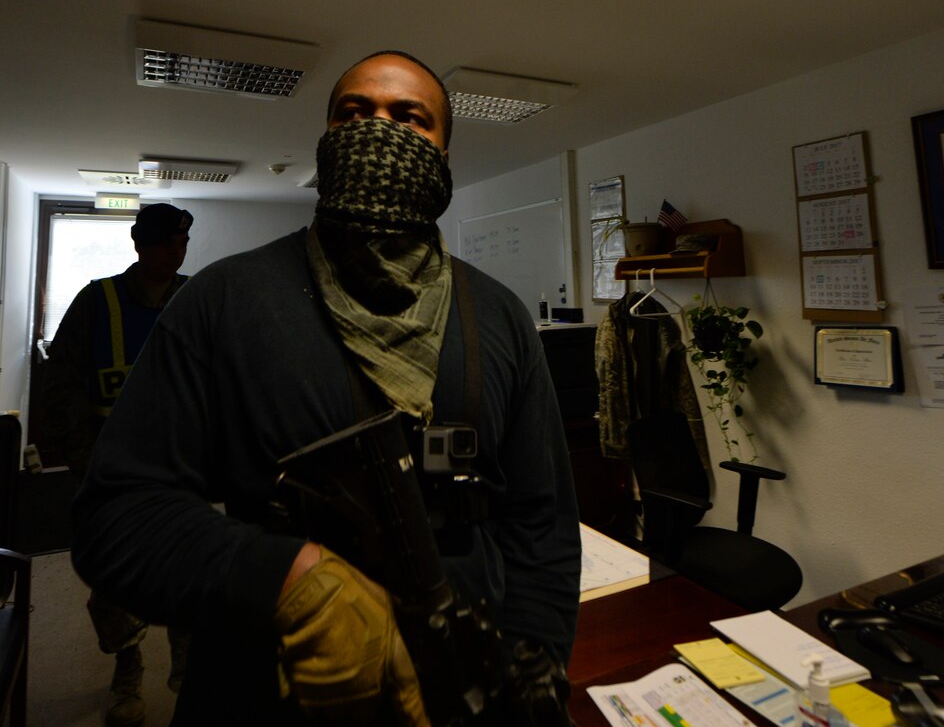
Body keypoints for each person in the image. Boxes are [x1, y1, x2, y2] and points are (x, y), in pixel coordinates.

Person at [71, 51, 582, 726]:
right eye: (354, 113)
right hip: (264, 682)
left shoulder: (499, 317)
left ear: (446, 157)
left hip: (463, 682)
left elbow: (541, 521)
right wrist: (282, 576)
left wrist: (539, 658)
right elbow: (117, 517)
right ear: (326, 142)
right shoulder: (226, 300)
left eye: (410, 118)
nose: (379, 129)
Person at [42, 202, 194, 727]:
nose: (178, 253)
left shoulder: (195, 297)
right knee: (112, 578)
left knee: (190, 567)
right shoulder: (95, 301)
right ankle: (128, 663)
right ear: (139, 244)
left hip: (181, 470)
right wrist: (84, 460)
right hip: (111, 472)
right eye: (169, 243)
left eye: (183, 244)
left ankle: (187, 662)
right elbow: (60, 384)